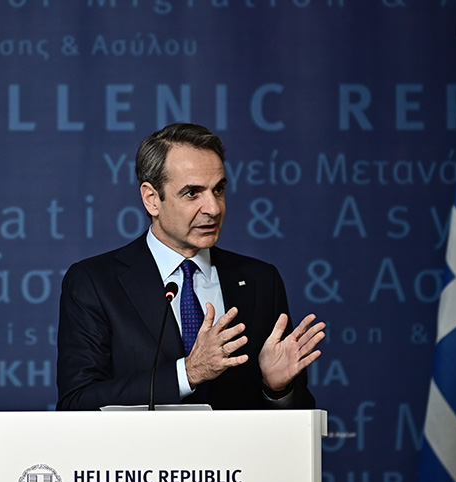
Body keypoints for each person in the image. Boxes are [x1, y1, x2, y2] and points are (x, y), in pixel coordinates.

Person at [56, 123, 325, 410]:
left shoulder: (260, 281)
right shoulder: (95, 283)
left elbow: (298, 416)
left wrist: (278, 389)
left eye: (218, 190)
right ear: (152, 199)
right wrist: (187, 374)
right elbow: (77, 403)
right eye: (192, 193)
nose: (213, 208)